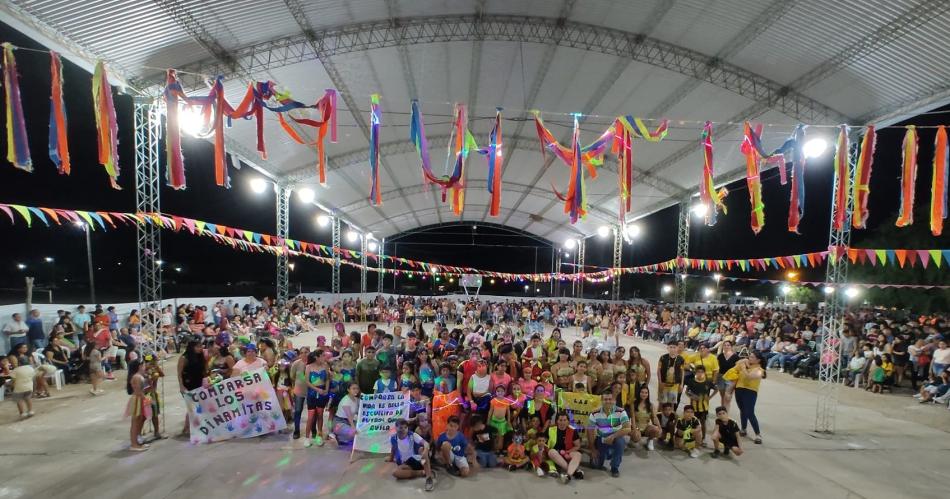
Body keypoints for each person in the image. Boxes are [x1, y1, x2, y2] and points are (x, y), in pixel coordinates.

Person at [588, 391, 631, 478]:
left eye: (610, 399)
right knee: (596, 466)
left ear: (614, 400)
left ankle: (614, 467)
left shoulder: (621, 411)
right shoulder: (594, 413)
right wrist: (592, 449)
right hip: (601, 439)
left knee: (620, 442)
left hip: (616, 437)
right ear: (601, 400)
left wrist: (613, 436)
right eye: (605, 399)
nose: (608, 401)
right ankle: (606, 454)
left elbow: (627, 428)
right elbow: (589, 431)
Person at [389, 418, 435, 491]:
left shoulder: (412, 435)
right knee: (395, 473)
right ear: (396, 428)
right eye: (401, 427)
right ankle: (422, 472)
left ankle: (428, 478)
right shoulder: (393, 438)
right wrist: (390, 458)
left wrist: (425, 450)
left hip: (417, 460)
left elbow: (426, 443)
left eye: (405, 427)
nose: (403, 429)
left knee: (422, 450)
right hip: (406, 464)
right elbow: (393, 448)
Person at [733, 351, 765, 444]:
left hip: (750, 392)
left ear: (758, 360)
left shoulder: (760, 370)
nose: (749, 358)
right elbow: (736, 363)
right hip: (739, 390)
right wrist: (744, 361)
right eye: (749, 356)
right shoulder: (747, 365)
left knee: (750, 412)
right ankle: (743, 429)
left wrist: (743, 368)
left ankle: (758, 434)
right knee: (742, 410)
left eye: (752, 357)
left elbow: (750, 377)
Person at [177, 340, 206, 437]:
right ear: (192, 347)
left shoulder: (200, 356)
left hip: (199, 383)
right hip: (188, 384)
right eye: (197, 347)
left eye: (200, 347)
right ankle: (186, 428)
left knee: (196, 407)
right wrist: (181, 386)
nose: (200, 349)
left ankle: (188, 427)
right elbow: (179, 373)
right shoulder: (184, 358)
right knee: (192, 407)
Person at [547, 412, 582, 484]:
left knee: (578, 454)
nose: (562, 422)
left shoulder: (573, 430)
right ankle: (574, 471)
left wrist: (568, 452)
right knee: (551, 452)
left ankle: (568, 475)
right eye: (560, 420)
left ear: (568, 421)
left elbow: (577, 446)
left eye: (564, 420)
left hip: (568, 452)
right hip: (556, 454)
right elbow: (544, 443)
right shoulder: (550, 429)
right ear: (557, 421)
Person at [305, 350, 331, 447]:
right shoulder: (308, 367)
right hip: (312, 393)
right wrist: (316, 389)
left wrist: (326, 390)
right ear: (317, 357)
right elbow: (307, 382)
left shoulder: (325, 366)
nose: (325, 357)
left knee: (320, 415)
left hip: (322, 393)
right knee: (311, 417)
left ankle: (319, 436)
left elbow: (328, 379)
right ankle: (307, 438)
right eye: (323, 355)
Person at [125, 359, 151, 451]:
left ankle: (136, 442)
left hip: (139, 399)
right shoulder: (137, 377)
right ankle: (134, 444)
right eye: (143, 365)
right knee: (135, 423)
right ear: (140, 366)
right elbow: (138, 391)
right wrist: (146, 399)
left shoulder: (139, 376)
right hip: (137, 400)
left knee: (138, 421)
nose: (145, 366)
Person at [685, 365, 715, 444]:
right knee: (691, 421)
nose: (700, 374)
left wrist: (710, 397)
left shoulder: (708, 382)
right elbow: (686, 391)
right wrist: (691, 396)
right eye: (698, 372)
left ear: (704, 373)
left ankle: (703, 438)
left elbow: (716, 389)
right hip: (693, 407)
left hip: (704, 407)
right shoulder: (692, 381)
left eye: (702, 372)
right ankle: (689, 436)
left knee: (703, 422)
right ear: (695, 372)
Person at [631, 385, 661, 451]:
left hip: (646, 427)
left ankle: (650, 440)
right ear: (639, 393)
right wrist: (634, 430)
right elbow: (632, 418)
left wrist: (659, 427)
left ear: (648, 394)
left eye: (646, 392)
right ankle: (633, 439)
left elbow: (654, 417)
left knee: (656, 430)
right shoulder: (634, 404)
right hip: (637, 427)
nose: (644, 394)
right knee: (636, 438)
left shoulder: (650, 405)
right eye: (642, 392)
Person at [657, 342, 684, 407]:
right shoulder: (663, 357)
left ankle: (670, 416)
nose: (672, 349)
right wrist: (660, 382)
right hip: (664, 383)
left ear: (677, 348)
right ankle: (659, 416)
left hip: (674, 385)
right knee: (661, 402)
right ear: (668, 348)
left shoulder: (681, 359)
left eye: (674, 347)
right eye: (671, 347)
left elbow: (682, 372)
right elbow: (658, 370)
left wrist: (681, 384)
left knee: (671, 403)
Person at [8, 354, 34, 418]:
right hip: (29, 387)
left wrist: (9, 385)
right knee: (28, 399)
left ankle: (22, 413)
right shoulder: (31, 368)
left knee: (19, 400)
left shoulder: (16, 370)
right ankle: (30, 411)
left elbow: (13, 380)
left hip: (19, 388)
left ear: (19, 362)